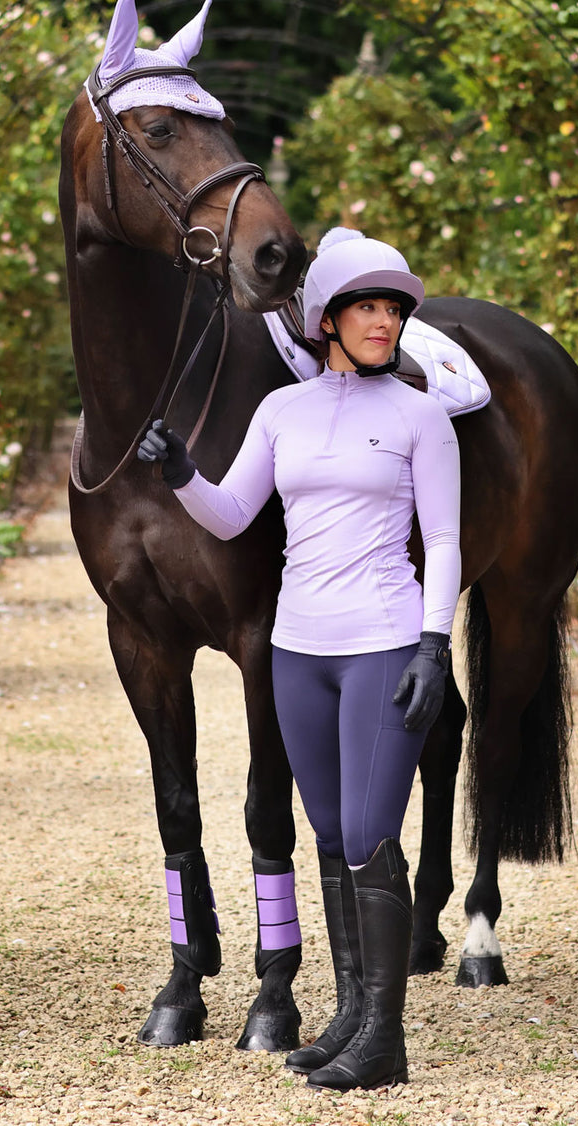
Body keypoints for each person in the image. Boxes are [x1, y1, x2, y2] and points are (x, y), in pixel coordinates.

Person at [137, 226, 462, 1090]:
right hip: (297, 652)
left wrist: (436, 643)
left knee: (366, 834)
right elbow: (233, 513)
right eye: (367, 307)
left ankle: (385, 1038)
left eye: (393, 308)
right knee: (328, 833)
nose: (384, 320)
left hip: (384, 642)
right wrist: (178, 474)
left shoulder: (421, 417)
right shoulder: (281, 412)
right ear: (328, 320)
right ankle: (349, 1016)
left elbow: (446, 537)